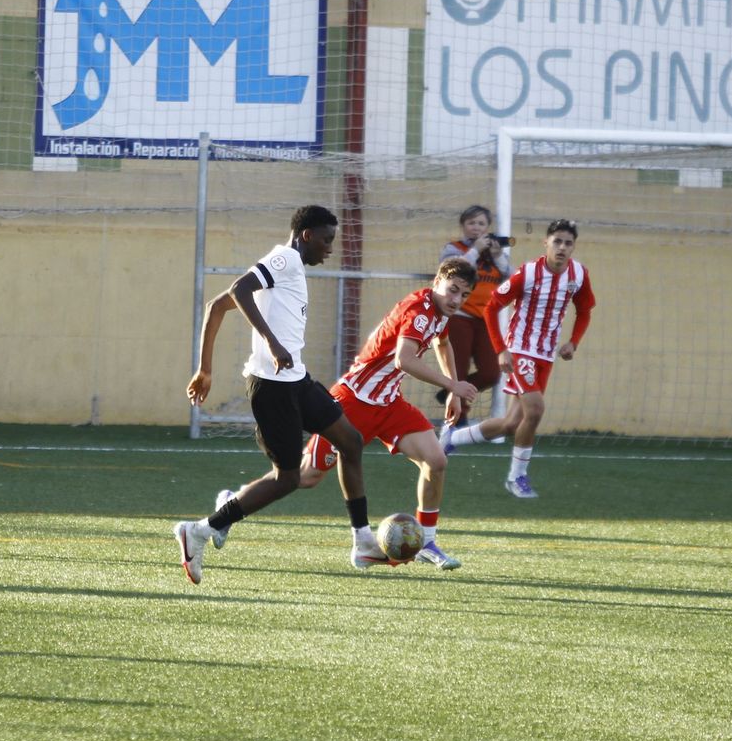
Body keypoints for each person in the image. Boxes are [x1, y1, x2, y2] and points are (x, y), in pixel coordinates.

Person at [176, 205, 388, 585]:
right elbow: (239, 291)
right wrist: (272, 344)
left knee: (350, 441)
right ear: (306, 235)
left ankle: (363, 540)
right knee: (288, 478)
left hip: (296, 380)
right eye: (326, 240)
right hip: (272, 388)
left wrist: (204, 369)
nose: (329, 249)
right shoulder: (286, 258)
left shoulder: (289, 268)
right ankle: (200, 530)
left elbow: (216, 306)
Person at [285, 257, 480, 570]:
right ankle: (236, 501)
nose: (456, 299)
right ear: (437, 283)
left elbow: (443, 344)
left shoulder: (441, 312)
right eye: (453, 290)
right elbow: (404, 360)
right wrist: (452, 385)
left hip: (389, 404)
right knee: (306, 476)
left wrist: (453, 389)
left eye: (464, 295)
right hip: (353, 401)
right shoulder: (419, 311)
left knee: (437, 460)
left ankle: (427, 541)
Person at [441, 219, 595, 499]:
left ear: (574, 247)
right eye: (557, 241)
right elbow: (492, 307)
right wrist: (501, 349)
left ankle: (452, 438)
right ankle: (516, 477)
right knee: (535, 410)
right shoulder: (529, 273)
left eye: (568, 243)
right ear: (545, 243)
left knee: (511, 423)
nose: (562, 247)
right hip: (521, 350)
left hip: (546, 356)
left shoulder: (579, 275)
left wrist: (573, 342)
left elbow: (584, 310)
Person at [437, 205, 510, 424]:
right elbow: (453, 270)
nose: (476, 228)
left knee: (491, 372)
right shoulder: (454, 248)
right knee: (457, 369)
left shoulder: (494, 254)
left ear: (488, 227)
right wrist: (475, 250)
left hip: (486, 318)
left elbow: (511, 279)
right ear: (463, 226)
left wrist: (497, 257)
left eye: (481, 224)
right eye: (471, 223)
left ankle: (448, 393)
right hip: (460, 316)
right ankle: (458, 417)